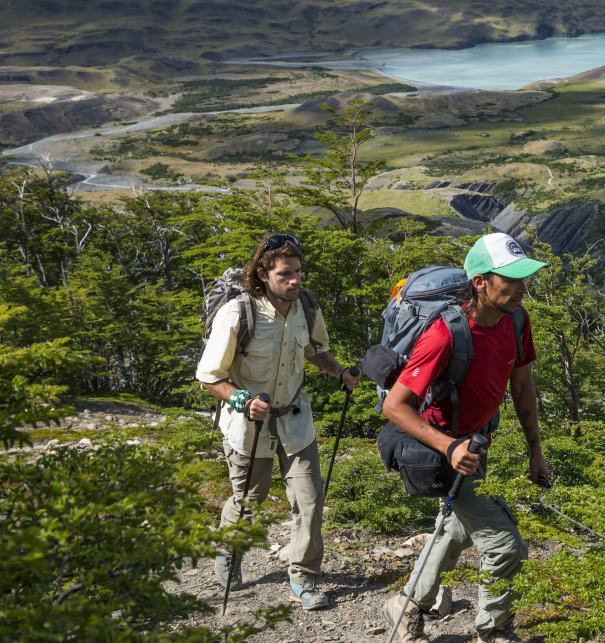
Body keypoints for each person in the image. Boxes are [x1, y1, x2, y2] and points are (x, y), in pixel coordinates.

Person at [380, 232, 552, 643]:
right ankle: (493, 630)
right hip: (441, 448)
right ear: (480, 282)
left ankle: (405, 606)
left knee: (455, 528)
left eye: (524, 278)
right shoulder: (445, 335)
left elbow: (522, 382)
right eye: (510, 280)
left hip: (475, 445)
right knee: (507, 545)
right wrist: (450, 446)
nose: (522, 289)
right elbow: (395, 405)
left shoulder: (516, 320)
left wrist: (535, 452)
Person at [196, 232, 361, 611]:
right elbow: (208, 375)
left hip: (295, 419)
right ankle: (228, 549)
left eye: (298, 272)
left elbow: (315, 350)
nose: (295, 280)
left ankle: (303, 578)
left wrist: (339, 373)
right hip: (247, 426)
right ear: (263, 273)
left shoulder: (305, 305)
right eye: (286, 274)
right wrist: (240, 399)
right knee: (248, 499)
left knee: (310, 498)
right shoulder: (238, 313)